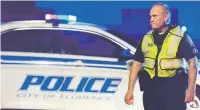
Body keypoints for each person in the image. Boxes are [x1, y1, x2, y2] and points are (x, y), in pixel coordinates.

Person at [124, 3, 199, 110]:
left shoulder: (180, 37)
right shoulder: (146, 38)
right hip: (151, 91)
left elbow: (192, 64)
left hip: (173, 91)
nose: (151, 20)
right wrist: (130, 91)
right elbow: (136, 65)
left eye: (155, 16)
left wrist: (191, 90)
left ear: (166, 17)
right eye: (150, 16)